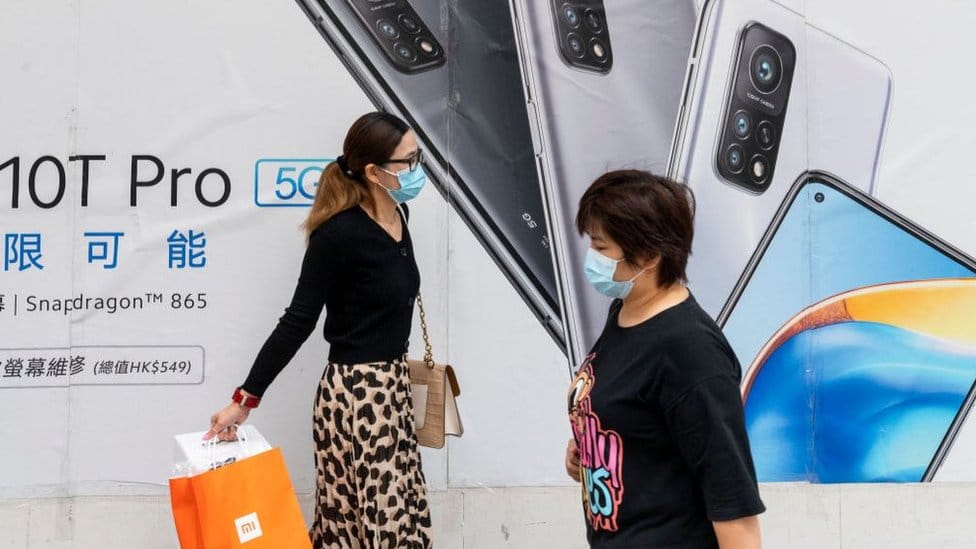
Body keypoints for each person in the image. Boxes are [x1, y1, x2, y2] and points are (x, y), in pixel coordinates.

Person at [205, 112, 433, 548]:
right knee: (358, 523)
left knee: (400, 514)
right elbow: (297, 321)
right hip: (356, 397)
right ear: (373, 172)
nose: (416, 169)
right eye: (407, 161)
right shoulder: (336, 235)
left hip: (394, 390)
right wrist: (245, 398)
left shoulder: (401, 216)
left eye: (417, 157)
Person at [564, 170, 765, 548]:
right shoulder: (625, 311)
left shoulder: (691, 351)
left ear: (650, 256)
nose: (592, 258)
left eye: (601, 247)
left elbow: (732, 497)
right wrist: (591, 453)